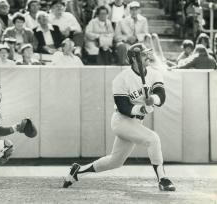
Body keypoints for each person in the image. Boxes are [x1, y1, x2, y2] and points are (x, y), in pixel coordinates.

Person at [63, 43, 176, 192]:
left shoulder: (154, 73)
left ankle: (77, 172)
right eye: (143, 54)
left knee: (115, 162)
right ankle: (163, 179)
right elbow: (123, 107)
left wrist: (153, 99)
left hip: (136, 123)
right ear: (134, 59)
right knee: (153, 139)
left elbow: (161, 95)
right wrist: (142, 107)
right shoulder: (121, 79)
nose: (147, 56)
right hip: (121, 121)